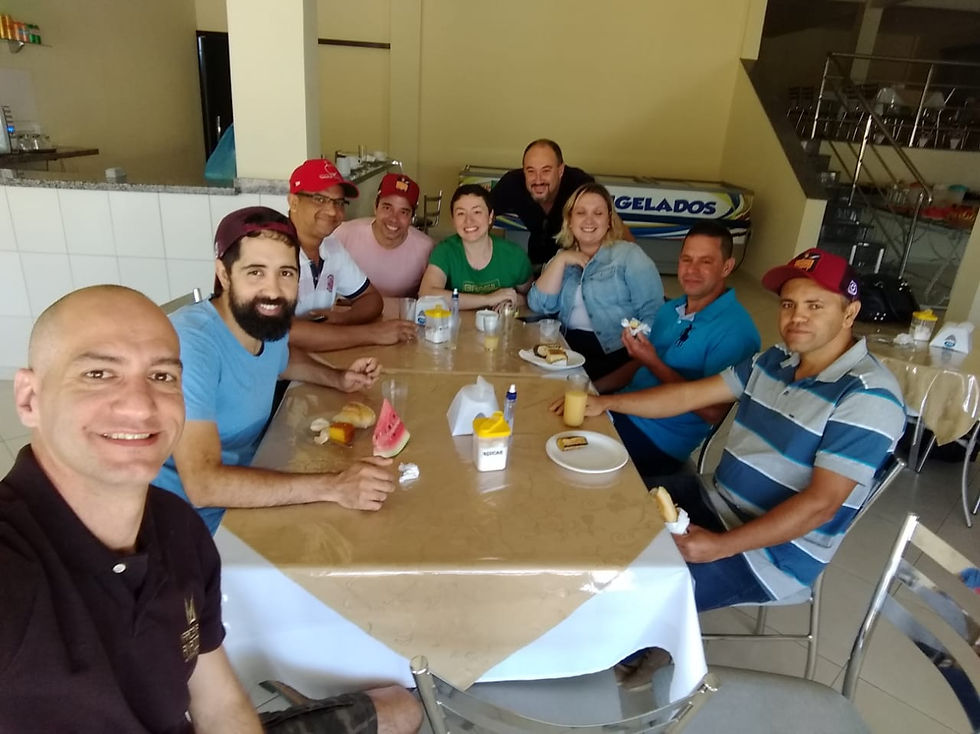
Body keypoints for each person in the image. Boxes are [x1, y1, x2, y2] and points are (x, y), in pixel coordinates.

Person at [1, 285, 421, 733]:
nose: (140, 406)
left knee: (402, 709)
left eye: (162, 376)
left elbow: (219, 707)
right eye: (99, 374)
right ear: (29, 398)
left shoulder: (178, 527)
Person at [576, 248, 906, 611]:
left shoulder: (868, 395)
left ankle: (635, 636)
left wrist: (722, 546)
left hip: (771, 557)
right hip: (714, 498)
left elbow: (820, 505)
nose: (797, 317)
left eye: (815, 306)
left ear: (850, 313)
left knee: (621, 593)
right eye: (788, 305)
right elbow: (687, 395)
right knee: (597, 504)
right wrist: (608, 403)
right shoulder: (774, 360)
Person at [153, 207, 399, 535]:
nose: (273, 290)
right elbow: (203, 485)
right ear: (224, 274)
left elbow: (283, 358)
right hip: (190, 527)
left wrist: (338, 378)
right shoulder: (192, 344)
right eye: (255, 272)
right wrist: (335, 486)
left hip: (249, 489)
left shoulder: (263, 323)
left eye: (286, 272)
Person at [583, 222, 760, 477]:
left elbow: (712, 413)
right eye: (686, 259)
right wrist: (592, 388)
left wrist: (653, 363)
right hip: (623, 408)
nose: (692, 270)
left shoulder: (736, 331)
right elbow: (641, 364)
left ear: (727, 267)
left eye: (705, 261)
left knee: (562, 444)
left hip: (659, 439)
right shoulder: (670, 309)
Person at [528, 182, 664, 383]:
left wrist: (638, 350)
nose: (589, 220)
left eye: (598, 213)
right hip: (567, 350)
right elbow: (540, 304)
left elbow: (654, 312)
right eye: (581, 213)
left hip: (615, 354)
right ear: (570, 221)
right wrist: (561, 260)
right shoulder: (562, 257)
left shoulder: (629, 255)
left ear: (609, 220)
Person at [287, 159, 417, 351]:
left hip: (315, 358)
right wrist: (372, 334)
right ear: (293, 202)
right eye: (320, 199)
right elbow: (283, 331)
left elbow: (372, 299)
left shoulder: (331, 247)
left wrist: (341, 318)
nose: (332, 211)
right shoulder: (271, 249)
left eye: (339, 203)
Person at [419, 183, 533, 311]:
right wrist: (488, 299)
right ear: (453, 220)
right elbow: (426, 294)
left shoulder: (514, 255)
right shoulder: (445, 251)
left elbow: (532, 297)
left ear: (490, 216)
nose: (469, 221)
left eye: (477, 212)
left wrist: (512, 300)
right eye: (461, 213)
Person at [488, 138, 594, 266]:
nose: (538, 180)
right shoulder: (513, 183)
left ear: (560, 170)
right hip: (535, 262)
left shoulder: (581, 186)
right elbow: (484, 211)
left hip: (578, 263)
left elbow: (607, 226)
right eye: (531, 171)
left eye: (546, 171)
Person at [333, 172, 435, 297]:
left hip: (400, 310)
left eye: (403, 212)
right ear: (375, 207)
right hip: (348, 309)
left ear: (411, 217)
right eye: (387, 208)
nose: (393, 219)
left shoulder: (426, 248)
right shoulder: (342, 234)